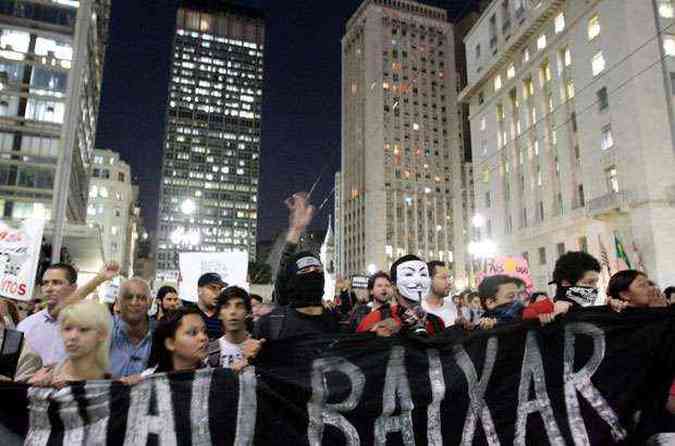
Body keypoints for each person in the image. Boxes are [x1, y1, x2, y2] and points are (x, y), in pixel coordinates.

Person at [253, 193, 340, 346]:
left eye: (316, 269)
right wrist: (295, 230)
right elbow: (283, 271)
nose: (312, 273)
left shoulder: (334, 323)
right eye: (305, 271)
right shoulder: (274, 324)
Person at [17, 262, 119, 366]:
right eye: (45, 283)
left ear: (73, 287)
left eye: (56, 283)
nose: (49, 289)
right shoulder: (26, 326)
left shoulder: (91, 326)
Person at [29, 300, 112, 386]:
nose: (73, 336)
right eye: (67, 329)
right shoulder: (45, 375)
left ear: (102, 334)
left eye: (84, 329)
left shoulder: (110, 384)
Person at [357, 255, 445, 336]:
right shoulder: (376, 318)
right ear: (394, 285)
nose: (418, 281)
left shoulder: (436, 323)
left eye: (423, 274)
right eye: (409, 274)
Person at [109, 277, 155, 378]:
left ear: (151, 302)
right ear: (117, 303)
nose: (134, 303)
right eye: (128, 297)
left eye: (141, 298)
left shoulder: (161, 334)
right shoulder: (103, 330)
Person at [144, 308, 209, 375]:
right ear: (170, 343)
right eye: (193, 333)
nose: (203, 337)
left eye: (205, 332)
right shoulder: (148, 379)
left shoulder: (214, 376)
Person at [207, 286, 252, 369]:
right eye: (226, 306)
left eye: (239, 306)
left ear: (248, 313)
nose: (232, 312)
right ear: (219, 314)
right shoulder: (209, 351)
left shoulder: (259, 347)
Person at [422, 261, 458, 327]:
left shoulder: (452, 308)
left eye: (449, 277)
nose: (449, 282)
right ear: (429, 280)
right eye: (443, 278)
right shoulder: (419, 309)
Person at [196, 272, 228, 340]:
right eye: (212, 288)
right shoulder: (188, 313)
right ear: (199, 290)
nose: (218, 293)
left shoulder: (225, 315)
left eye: (220, 289)